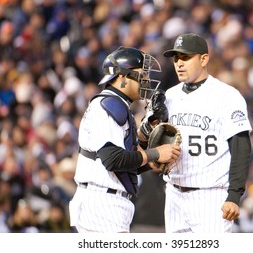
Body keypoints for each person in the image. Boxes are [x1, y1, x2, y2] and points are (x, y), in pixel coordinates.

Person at [69, 46, 181, 233]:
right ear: (122, 77)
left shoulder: (118, 105)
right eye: (141, 74)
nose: (146, 79)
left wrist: (150, 161)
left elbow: (124, 163)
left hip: (106, 203)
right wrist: (155, 153)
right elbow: (113, 159)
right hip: (102, 206)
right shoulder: (109, 105)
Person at [158, 33, 252, 233]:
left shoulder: (227, 95)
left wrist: (234, 195)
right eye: (176, 59)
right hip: (174, 194)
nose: (179, 64)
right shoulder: (170, 96)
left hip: (210, 196)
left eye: (185, 57)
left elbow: (241, 147)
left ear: (203, 59)